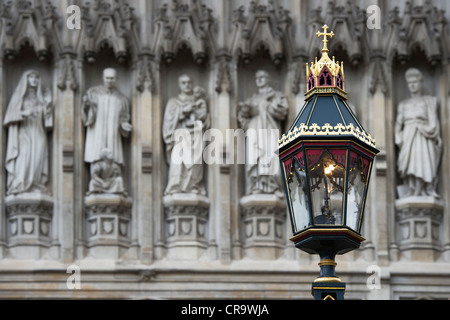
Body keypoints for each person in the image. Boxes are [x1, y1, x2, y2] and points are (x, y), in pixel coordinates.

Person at [237, 70, 288, 197]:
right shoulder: (252, 99)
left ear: (268, 79)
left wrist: (267, 105)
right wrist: (246, 111)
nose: (259, 79)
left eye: (262, 77)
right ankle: (256, 186)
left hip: (270, 130)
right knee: (256, 157)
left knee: (271, 155)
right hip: (254, 131)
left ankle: (274, 186)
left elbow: (283, 111)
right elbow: (243, 119)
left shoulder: (276, 96)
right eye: (257, 77)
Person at [82, 68, 132, 194]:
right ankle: (96, 183)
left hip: (113, 134)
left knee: (113, 155)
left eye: (112, 78)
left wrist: (124, 125)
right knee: (96, 156)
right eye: (107, 78)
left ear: (116, 79)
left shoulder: (122, 99)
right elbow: (86, 115)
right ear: (103, 78)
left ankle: (114, 185)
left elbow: (124, 117)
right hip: (97, 132)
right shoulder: (93, 93)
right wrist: (86, 106)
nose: (109, 81)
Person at [4, 70, 53, 195]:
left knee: (37, 159)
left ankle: (35, 184)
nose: (34, 80)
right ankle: (20, 184)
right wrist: (24, 113)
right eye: (31, 77)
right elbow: (8, 117)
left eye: (36, 77)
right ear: (26, 79)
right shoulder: (19, 97)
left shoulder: (41, 98)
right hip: (24, 132)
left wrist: (48, 105)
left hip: (38, 132)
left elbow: (48, 123)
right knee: (25, 156)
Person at [395, 68, 442, 198]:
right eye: (410, 83)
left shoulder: (428, 101)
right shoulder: (403, 104)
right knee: (409, 163)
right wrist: (397, 136)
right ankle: (412, 188)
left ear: (420, 83)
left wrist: (434, 133)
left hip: (423, 134)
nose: (413, 85)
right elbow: (398, 124)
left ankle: (424, 189)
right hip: (408, 134)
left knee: (423, 161)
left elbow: (434, 122)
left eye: (415, 82)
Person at [162, 75, 209, 195]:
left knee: (196, 160)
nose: (186, 85)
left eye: (189, 82)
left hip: (196, 135)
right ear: (179, 85)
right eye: (183, 83)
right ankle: (176, 185)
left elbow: (205, 119)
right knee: (179, 158)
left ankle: (194, 185)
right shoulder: (173, 102)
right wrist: (182, 112)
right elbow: (168, 121)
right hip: (181, 135)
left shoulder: (198, 101)